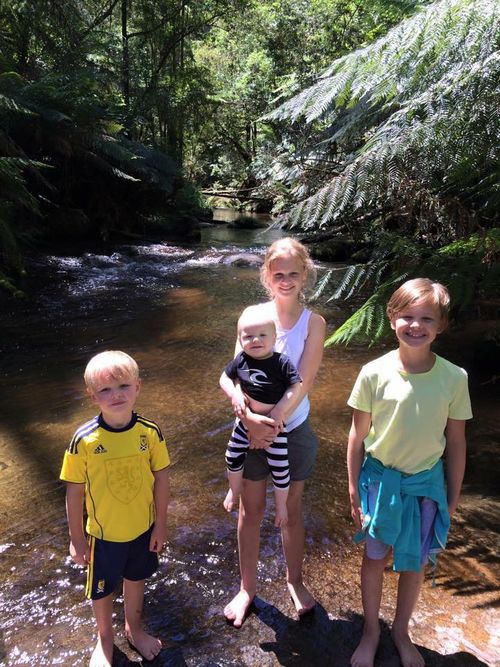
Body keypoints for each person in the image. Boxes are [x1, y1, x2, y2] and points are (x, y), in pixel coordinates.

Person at [346, 278, 472, 667]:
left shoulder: (455, 377)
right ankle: (370, 631)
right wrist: (352, 487)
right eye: (407, 317)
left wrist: (451, 497)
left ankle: (401, 631)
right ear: (392, 319)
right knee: (375, 556)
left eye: (426, 319)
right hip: (379, 482)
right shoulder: (373, 372)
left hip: (425, 485)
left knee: (414, 562)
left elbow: (456, 442)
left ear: (441, 325)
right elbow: (357, 434)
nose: (416, 326)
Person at [223, 237, 326, 627]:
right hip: (248, 425)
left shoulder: (313, 323)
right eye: (278, 274)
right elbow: (235, 371)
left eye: (293, 274)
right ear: (267, 275)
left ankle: (294, 581)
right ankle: (247, 587)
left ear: (305, 276)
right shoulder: (252, 315)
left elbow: (306, 380)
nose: (285, 280)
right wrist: (246, 415)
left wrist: (277, 418)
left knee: (291, 511)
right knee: (251, 511)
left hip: (293, 427)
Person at [60, 351, 170, 667]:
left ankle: (134, 630)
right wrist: (76, 538)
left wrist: (161, 525)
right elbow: (74, 492)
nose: (116, 395)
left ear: (138, 386)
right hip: (103, 535)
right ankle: (105, 639)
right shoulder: (83, 440)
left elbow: (161, 479)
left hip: (142, 528)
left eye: (123, 386)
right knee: (102, 590)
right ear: (92, 396)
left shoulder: (149, 432)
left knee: (137, 579)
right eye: (105, 390)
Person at [220, 306, 303, 527]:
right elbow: (224, 379)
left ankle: (281, 505)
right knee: (232, 456)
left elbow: (296, 386)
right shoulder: (241, 360)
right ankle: (234, 490)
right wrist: (235, 394)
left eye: (262, 335)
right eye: (248, 336)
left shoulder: (281, 362)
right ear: (240, 339)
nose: (255, 340)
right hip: (245, 423)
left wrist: (280, 411)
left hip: (274, 426)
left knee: (280, 469)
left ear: (274, 338)